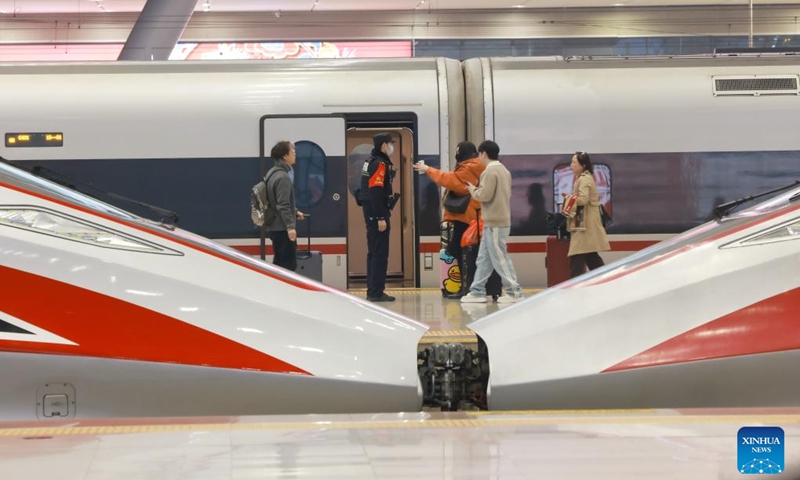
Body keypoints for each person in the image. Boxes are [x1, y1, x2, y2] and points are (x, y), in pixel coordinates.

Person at [414, 141, 485, 297]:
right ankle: (469, 287)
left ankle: (467, 288)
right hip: (467, 216)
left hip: (467, 216)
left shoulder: (471, 167)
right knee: (464, 250)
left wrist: (428, 170)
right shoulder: (473, 165)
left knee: (459, 250)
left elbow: (451, 180)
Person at [461, 140, 524, 304]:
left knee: (499, 257)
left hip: (495, 222)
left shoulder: (489, 172)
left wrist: (472, 189)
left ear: (484, 154)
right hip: (496, 221)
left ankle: (514, 291)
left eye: (479, 155)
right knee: (484, 258)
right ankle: (477, 291)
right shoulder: (504, 170)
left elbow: (484, 195)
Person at [358, 133, 397, 302]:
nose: (391, 147)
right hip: (376, 214)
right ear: (383, 146)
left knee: (373, 252)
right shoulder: (380, 164)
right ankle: (376, 292)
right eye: (390, 144)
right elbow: (375, 191)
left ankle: (373, 290)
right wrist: (381, 216)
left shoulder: (369, 161)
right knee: (380, 253)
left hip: (369, 212)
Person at [563, 151, 610, 278]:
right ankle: (606, 279)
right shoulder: (584, 178)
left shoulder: (584, 179)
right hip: (584, 223)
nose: (571, 165)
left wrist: (569, 198)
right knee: (591, 257)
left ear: (582, 165)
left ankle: (573, 288)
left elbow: (583, 199)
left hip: (585, 225)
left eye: (574, 162)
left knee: (577, 256)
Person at [265, 140, 305, 271]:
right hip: (282, 229)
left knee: (279, 264)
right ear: (285, 156)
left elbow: (275, 200)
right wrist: (290, 227)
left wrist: (294, 211)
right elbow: (282, 204)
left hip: (275, 227)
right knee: (288, 267)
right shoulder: (283, 177)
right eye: (292, 151)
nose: (295, 154)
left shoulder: (272, 173)